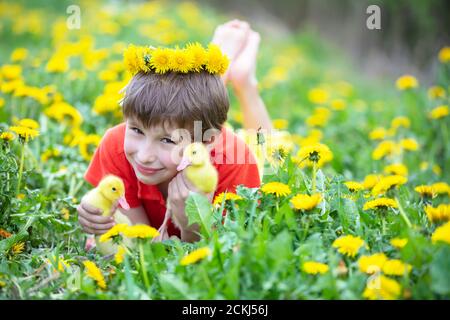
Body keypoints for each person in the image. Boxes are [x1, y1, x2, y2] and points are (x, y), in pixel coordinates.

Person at [77, 20, 273, 243]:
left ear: (208, 142)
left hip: (226, 150)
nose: (144, 155)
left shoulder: (234, 161)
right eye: (136, 130)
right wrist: (101, 222)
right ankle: (221, 60)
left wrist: (192, 225)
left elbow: (218, 253)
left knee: (269, 155)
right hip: (193, 130)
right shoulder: (116, 144)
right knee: (189, 109)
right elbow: (144, 245)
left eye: (168, 140)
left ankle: (244, 80)